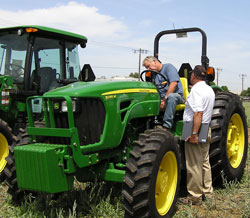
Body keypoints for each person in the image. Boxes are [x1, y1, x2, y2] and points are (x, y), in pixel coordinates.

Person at [180, 65, 215, 205]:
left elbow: (198, 113)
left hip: (194, 128)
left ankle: (194, 197)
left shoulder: (195, 90)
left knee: (193, 164)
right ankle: (207, 192)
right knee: (204, 161)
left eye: (191, 75)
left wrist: (194, 133)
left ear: (194, 76)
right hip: (206, 127)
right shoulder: (209, 90)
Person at [143, 56, 185, 129]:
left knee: (171, 97)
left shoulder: (169, 67)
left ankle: (166, 126)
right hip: (162, 98)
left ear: (154, 61)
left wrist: (165, 99)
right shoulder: (154, 74)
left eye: (148, 66)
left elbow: (174, 83)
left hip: (177, 97)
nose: (148, 69)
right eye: (147, 68)